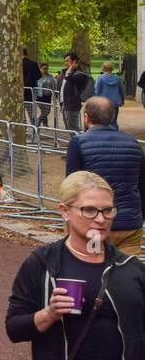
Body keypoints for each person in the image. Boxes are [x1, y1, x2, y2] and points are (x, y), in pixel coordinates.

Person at [6, 171, 145, 360]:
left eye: (107, 210)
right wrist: (49, 314)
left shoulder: (131, 268)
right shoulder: (43, 263)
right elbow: (14, 328)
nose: (100, 219)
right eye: (89, 210)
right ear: (64, 211)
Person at [65, 96, 145, 257]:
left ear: (86, 117)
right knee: (129, 274)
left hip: (93, 223)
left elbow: (72, 185)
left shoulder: (79, 143)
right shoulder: (134, 144)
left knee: (92, 270)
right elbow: (142, 185)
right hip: (129, 223)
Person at [57, 53, 92, 133]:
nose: (65, 63)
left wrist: (70, 70)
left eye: (68, 61)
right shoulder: (65, 73)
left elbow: (69, 78)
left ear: (74, 62)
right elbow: (59, 85)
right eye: (65, 61)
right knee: (69, 128)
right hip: (64, 104)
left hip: (72, 105)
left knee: (74, 129)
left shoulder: (79, 74)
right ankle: (75, 144)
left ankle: (80, 144)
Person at [94, 62, 126, 128]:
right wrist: (122, 100)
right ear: (112, 69)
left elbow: (97, 91)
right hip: (115, 102)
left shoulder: (100, 78)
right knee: (114, 121)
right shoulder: (117, 78)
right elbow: (122, 90)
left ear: (103, 68)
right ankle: (115, 135)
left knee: (104, 121)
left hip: (104, 103)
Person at [34, 61, 56, 129]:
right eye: (44, 69)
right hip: (40, 96)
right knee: (46, 110)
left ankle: (44, 124)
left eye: (47, 68)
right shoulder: (37, 76)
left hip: (48, 96)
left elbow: (53, 85)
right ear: (40, 69)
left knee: (45, 110)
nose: (46, 70)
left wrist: (55, 94)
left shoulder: (50, 76)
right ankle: (39, 121)